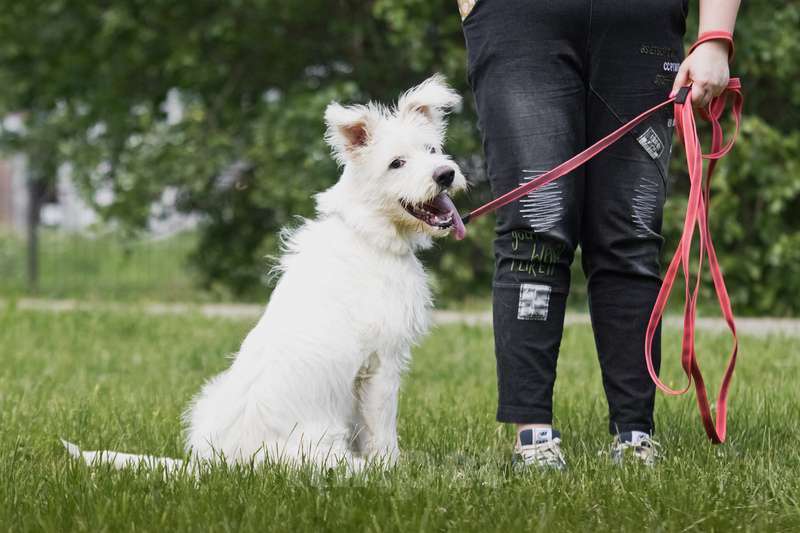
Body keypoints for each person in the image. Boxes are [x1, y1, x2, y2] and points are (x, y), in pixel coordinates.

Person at [458, 0, 740, 468]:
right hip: (518, 19)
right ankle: (533, 440)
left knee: (631, 232)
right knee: (536, 227)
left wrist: (716, 37)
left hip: (641, 21)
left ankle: (635, 436)